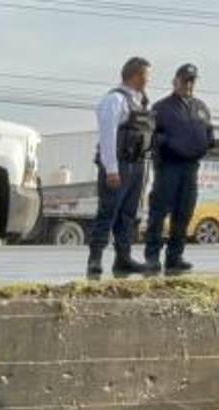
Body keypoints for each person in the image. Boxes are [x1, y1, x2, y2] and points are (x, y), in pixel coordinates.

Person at [143, 64, 214, 276]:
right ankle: (152, 257)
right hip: (168, 167)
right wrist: (168, 142)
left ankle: (175, 257)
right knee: (159, 213)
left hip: (191, 168)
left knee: (184, 214)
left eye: (192, 80)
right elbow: (149, 137)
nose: (188, 84)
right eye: (184, 80)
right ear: (175, 81)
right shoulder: (161, 107)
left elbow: (208, 134)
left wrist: (204, 144)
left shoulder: (201, 107)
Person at [87, 57, 154, 279]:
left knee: (128, 215)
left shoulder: (141, 101)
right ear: (135, 75)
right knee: (108, 212)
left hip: (137, 166)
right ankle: (95, 259)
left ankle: (123, 258)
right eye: (146, 75)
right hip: (119, 165)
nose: (148, 79)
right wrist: (111, 169)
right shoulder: (115, 99)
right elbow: (108, 135)